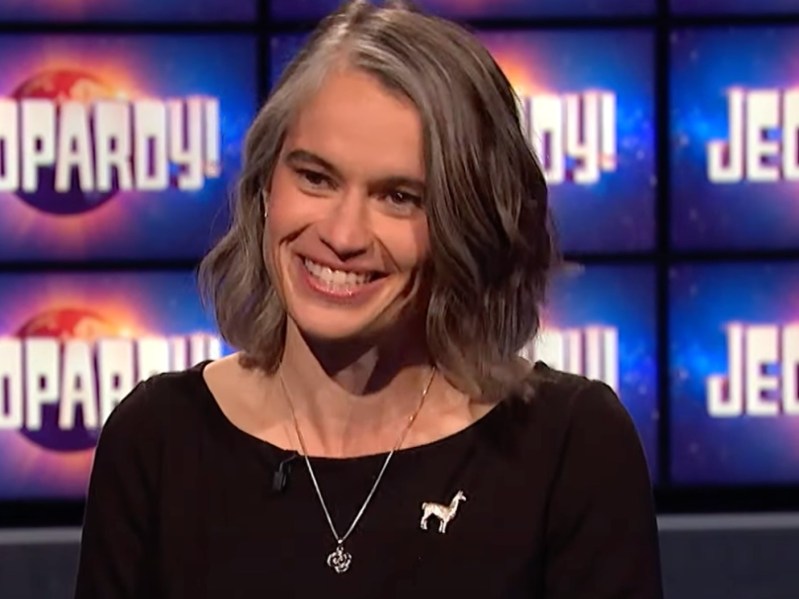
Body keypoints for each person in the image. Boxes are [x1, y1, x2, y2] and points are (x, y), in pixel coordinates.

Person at [73, 1, 663, 597]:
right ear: (264, 189)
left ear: (468, 223)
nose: (343, 235)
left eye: (400, 197)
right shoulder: (158, 442)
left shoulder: (566, 449)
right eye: (315, 177)